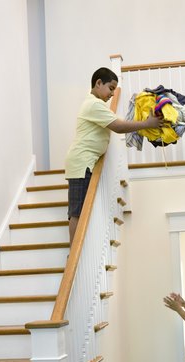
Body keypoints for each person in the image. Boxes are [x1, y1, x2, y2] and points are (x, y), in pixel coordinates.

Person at [65, 67, 164, 246]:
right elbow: (118, 127)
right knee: (77, 211)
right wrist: (146, 124)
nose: (112, 93)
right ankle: (74, 252)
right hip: (81, 163)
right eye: (111, 88)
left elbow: (118, 124)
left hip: (85, 162)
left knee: (82, 210)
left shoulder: (97, 105)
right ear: (98, 83)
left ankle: (77, 248)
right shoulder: (93, 104)